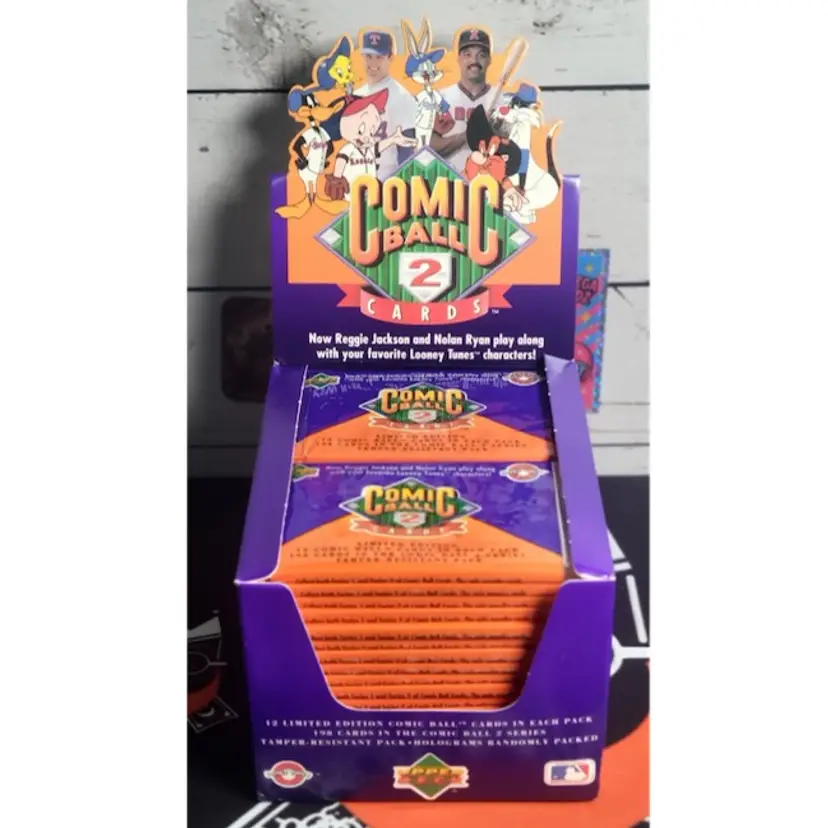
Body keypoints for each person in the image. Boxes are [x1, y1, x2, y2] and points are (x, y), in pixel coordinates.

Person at [430, 28, 507, 172]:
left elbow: (512, 153)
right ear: (458, 58)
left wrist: (493, 133)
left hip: (489, 181)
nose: (474, 61)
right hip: (450, 181)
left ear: (489, 60)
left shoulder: (502, 102)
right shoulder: (442, 98)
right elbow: (429, 147)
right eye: (467, 54)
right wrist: (468, 135)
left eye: (481, 55)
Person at [324, 89, 417, 205]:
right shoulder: (348, 149)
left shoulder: (369, 149)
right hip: (350, 198)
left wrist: (393, 140)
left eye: (372, 131)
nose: (367, 136)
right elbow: (340, 163)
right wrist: (337, 181)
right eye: (361, 130)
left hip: (370, 195)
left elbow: (377, 147)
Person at [353, 29, 418, 180]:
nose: (373, 63)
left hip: (387, 181)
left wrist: (402, 187)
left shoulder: (401, 97)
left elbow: (407, 151)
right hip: (358, 180)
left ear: (390, 58)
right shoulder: (356, 96)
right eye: (369, 56)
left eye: (379, 57)